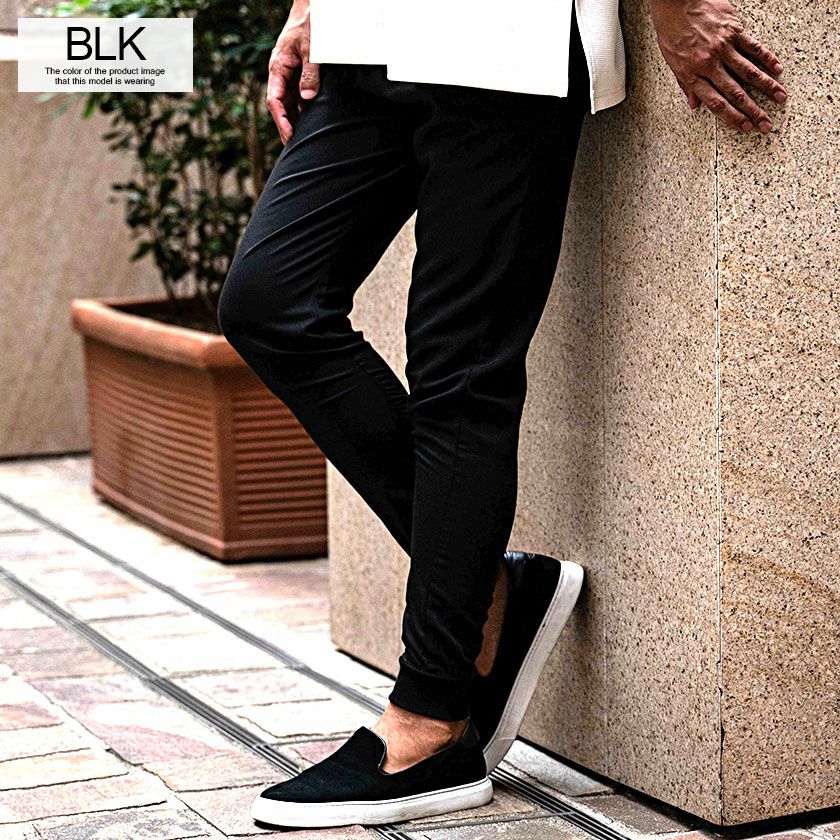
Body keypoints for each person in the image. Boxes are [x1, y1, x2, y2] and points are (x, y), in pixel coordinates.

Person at [217, 0, 786, 828]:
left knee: (459, 372)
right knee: (268, 302)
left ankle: (432, 720)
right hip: (369, 26)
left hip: (506, 40)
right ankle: (491, 587)